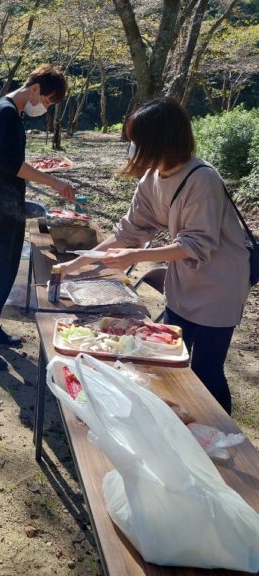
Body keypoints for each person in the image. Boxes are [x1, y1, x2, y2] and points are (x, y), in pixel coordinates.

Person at [59, 96, 250, 414]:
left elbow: (196, 244)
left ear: (160, 141)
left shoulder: (202, 179)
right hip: (184, 280)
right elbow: (129, 231)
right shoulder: (152, 177)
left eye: (136, 140)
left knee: (206, 369)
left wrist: (134, 255)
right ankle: (180, 421)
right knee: (170, 359)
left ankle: (221, 432)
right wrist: (81, 261)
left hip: (220, 285)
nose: (131, 147)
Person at [0, 64, 75, 370]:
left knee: (5, 274)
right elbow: (11, 165)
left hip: (6, 208)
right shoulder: (5, 112)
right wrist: (54, 182)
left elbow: (6, 159)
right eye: (48, 101)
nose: (45, 108)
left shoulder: (10, 112)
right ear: (35, 89)